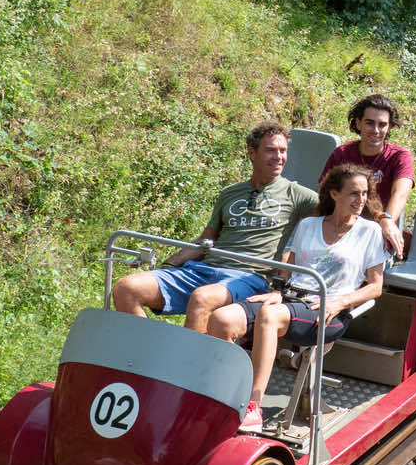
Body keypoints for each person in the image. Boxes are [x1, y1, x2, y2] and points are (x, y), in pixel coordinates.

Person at [110, 123, 318, 336]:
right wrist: (170, 264)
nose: (278, 157)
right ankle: (151, 355)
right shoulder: (230, 193)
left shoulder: (297, 194)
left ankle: (186, 366)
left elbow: (337, 215)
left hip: (249, 277)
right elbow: (206, 239)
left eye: (283, 151)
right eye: (270, 150)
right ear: (252, 153)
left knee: (202, 298)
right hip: (204, 269)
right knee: (127, 288)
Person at [238, 164, 391, 433]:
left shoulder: (369, 232)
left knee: (269, 316)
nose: (361, 200)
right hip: (291, 297)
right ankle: (219, 393)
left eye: (365, 193)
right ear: (334, 194)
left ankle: (253, 405)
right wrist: (277, 289)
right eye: (354, 193)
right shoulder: (308, 225)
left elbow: (376, 286)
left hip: (327, 309)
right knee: (222, 319)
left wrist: (339, 303)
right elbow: (290, 265)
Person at [319, 93, 413, 258]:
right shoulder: (342, 154)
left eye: (382, 125)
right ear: (358, 123)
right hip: (341, 229)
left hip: (379, 230)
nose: (376, 130)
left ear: (389, 127)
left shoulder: (399, 156)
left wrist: (387, 219)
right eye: (370, 123)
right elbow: (324, 193)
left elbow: (401, 193)